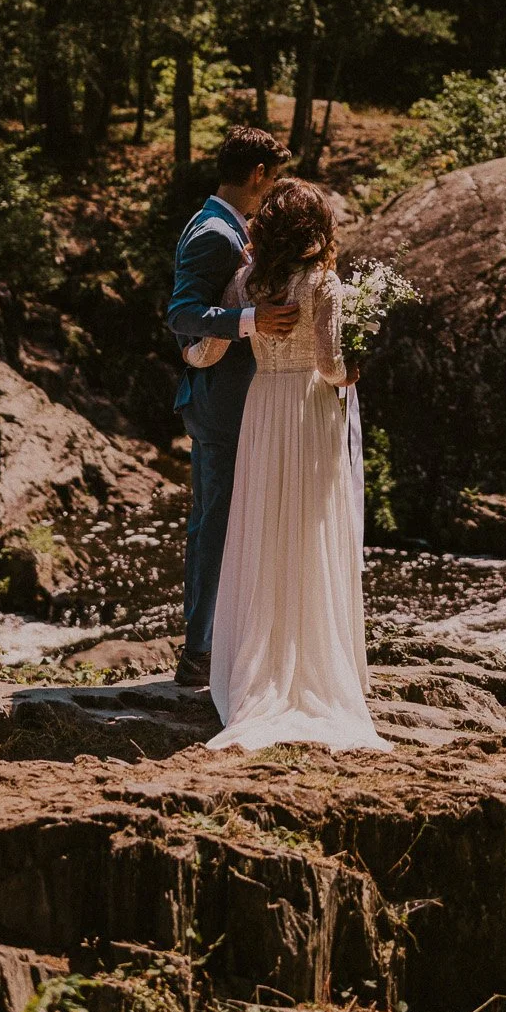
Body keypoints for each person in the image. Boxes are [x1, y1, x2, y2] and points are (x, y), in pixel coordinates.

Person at [206, 178, 387, 752]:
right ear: (318, 227)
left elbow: (210, 348)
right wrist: (353, 371)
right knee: (311, 529)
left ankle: (259, 663)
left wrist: (188, 350)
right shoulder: (325, 284)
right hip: (309, 410)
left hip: (265, 405)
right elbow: (332, 365)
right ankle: (314, 662)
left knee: (265, 524)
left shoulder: (246, 281)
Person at [167, 125, 294, 689]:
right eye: (274, 179)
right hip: (222, 407)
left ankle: (223, 646)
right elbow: (181, 315)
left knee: (225, 524)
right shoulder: (215, 234)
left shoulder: (220, 224)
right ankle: (198, 654)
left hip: (236, 404)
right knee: (214, 526)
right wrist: (251, 322)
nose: (273, 190)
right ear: (258, 175)